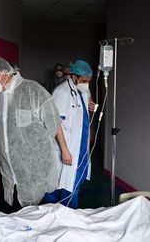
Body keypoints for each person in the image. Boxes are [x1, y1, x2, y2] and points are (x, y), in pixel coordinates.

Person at [0, 56, 60, 212]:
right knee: (14, 217)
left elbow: (53, 124)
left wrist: (33, 149)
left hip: (35, 170)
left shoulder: (33, 90)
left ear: (5, 73)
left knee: (35, 221)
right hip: (9, 171)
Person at [43, 60, 96, 208]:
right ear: (73, 77)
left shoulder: (84, 90)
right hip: (65, 148)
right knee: (59, 187)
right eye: (84, 81)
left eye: (88, 82)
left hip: (80, 148)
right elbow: (56, 123)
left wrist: (91, 105)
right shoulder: (61, 93)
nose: (87, 84)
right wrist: (65, 151)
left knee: (73, 183)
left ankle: (66, 217)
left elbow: (84, 107)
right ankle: (59, 217)